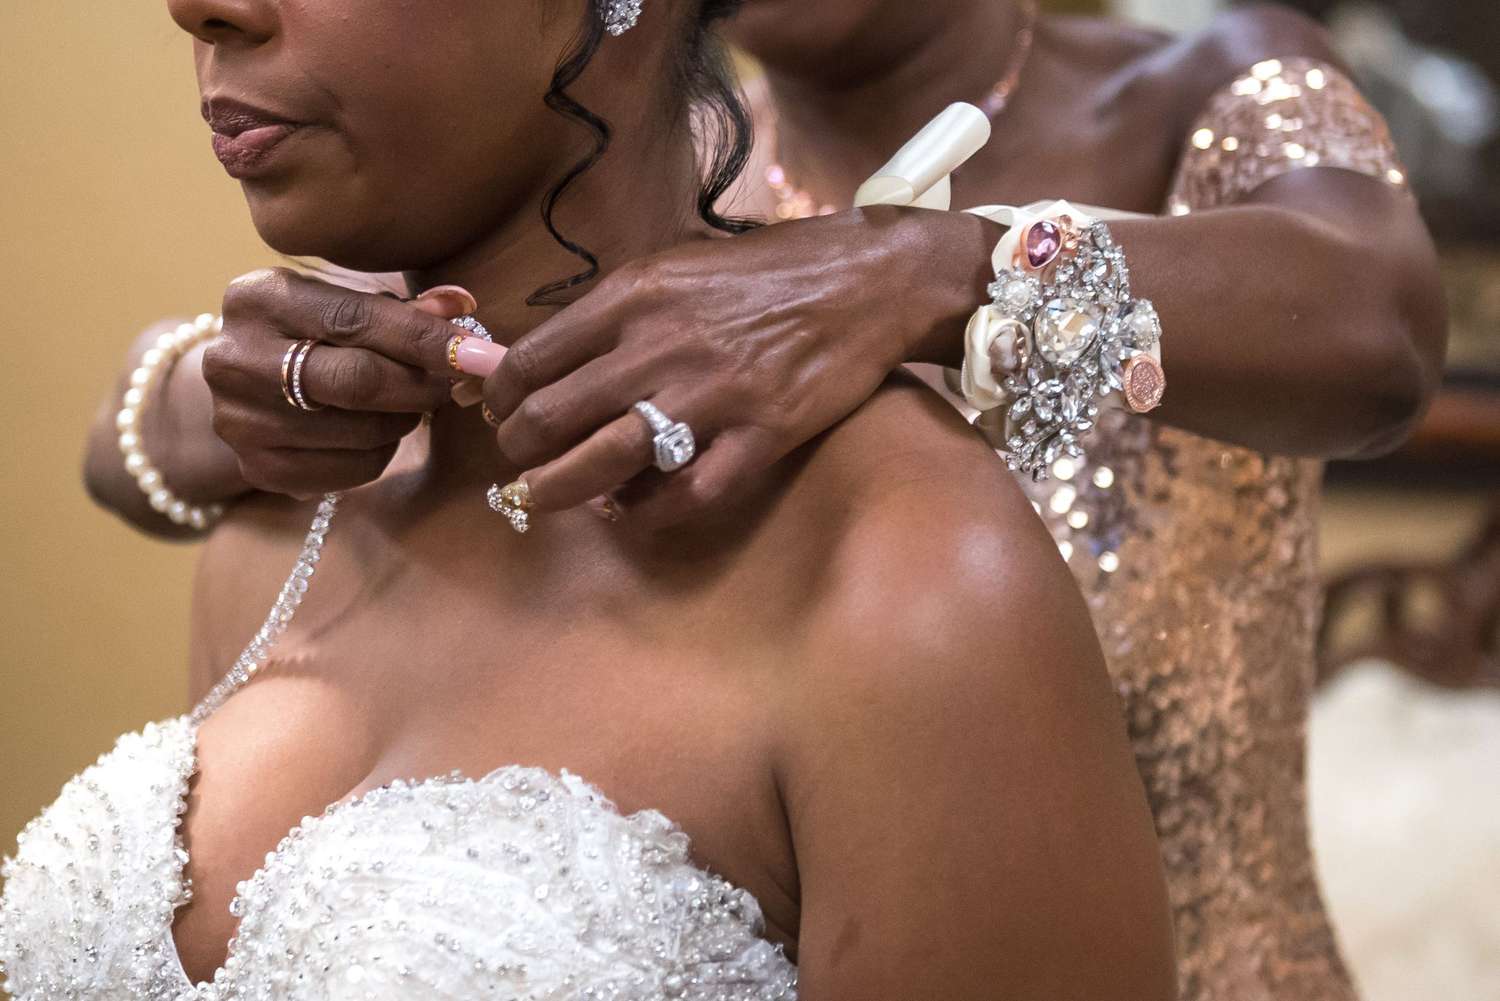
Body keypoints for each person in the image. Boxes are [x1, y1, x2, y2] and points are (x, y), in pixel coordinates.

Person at [80, 2, 1446, 999]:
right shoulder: (638, 152)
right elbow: (185, 411)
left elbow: (1378, 331)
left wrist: (928, 270)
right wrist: (211, 392)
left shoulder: (1189, 89)